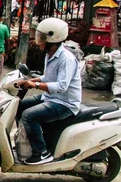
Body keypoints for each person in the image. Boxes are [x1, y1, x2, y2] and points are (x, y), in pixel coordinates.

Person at [16, 18, 82, 165]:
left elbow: (61, 86)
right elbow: (48, 77)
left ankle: (41, 152)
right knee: (17, 106)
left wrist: (35, 86)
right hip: (51, 98)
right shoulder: (49, 54)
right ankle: (25, 142)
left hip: (65, 103)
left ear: (53, 38)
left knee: (28, 116)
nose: (39, 41)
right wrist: (32, 81)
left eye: (42, 38)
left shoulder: (66, 60)